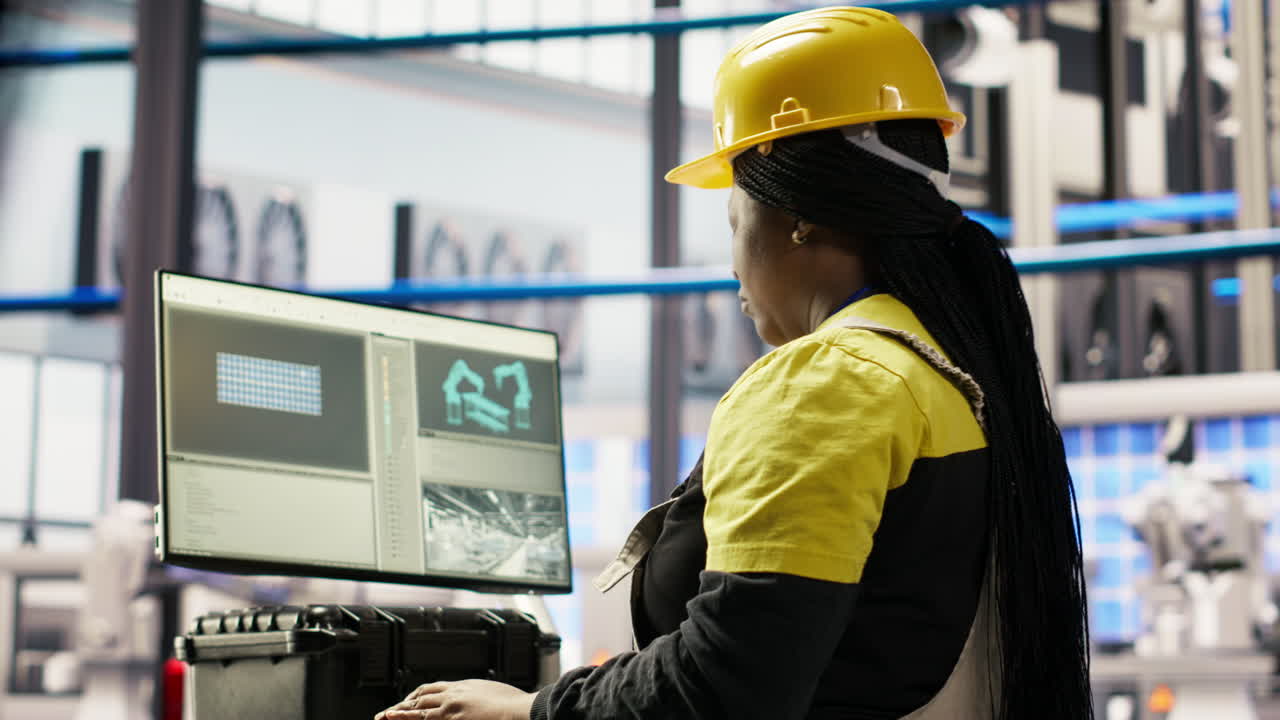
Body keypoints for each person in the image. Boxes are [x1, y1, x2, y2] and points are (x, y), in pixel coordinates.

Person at [377, 6, 1092, 719]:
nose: (733, 268)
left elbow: (724, 688)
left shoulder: (825, 385)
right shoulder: (951, 376)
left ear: (799, 214)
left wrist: (530, 712)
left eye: (734, 221)